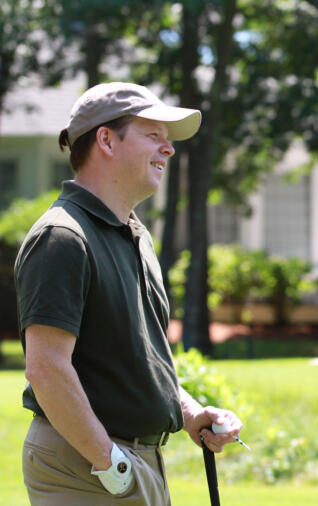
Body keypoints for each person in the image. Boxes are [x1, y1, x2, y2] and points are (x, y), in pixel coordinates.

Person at [15, 82, 244, 505]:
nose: (168, 149)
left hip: (124, 462)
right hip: (88, 465)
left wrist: (191, 414)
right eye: (153, 135)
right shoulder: (62, 236)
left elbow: (137, 357)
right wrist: (110, 464)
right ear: (106, 140)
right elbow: (46, 368)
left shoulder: (135, 235)